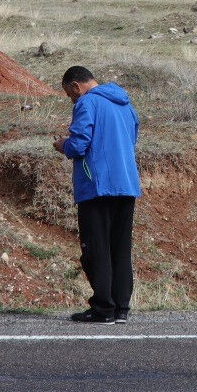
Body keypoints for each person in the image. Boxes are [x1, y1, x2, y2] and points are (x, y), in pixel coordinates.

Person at [56, 66, 141, 324]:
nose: (72, 99)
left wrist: (62, 145)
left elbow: (80, 143)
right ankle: (121, 309)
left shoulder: (87, 103)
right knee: (120, 248)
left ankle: (103, 308)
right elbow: (131, 139)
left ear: (75, 86)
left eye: (69, 94)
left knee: (96, 249)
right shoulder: (126, 105)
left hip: (97, 186)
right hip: (126, 184)